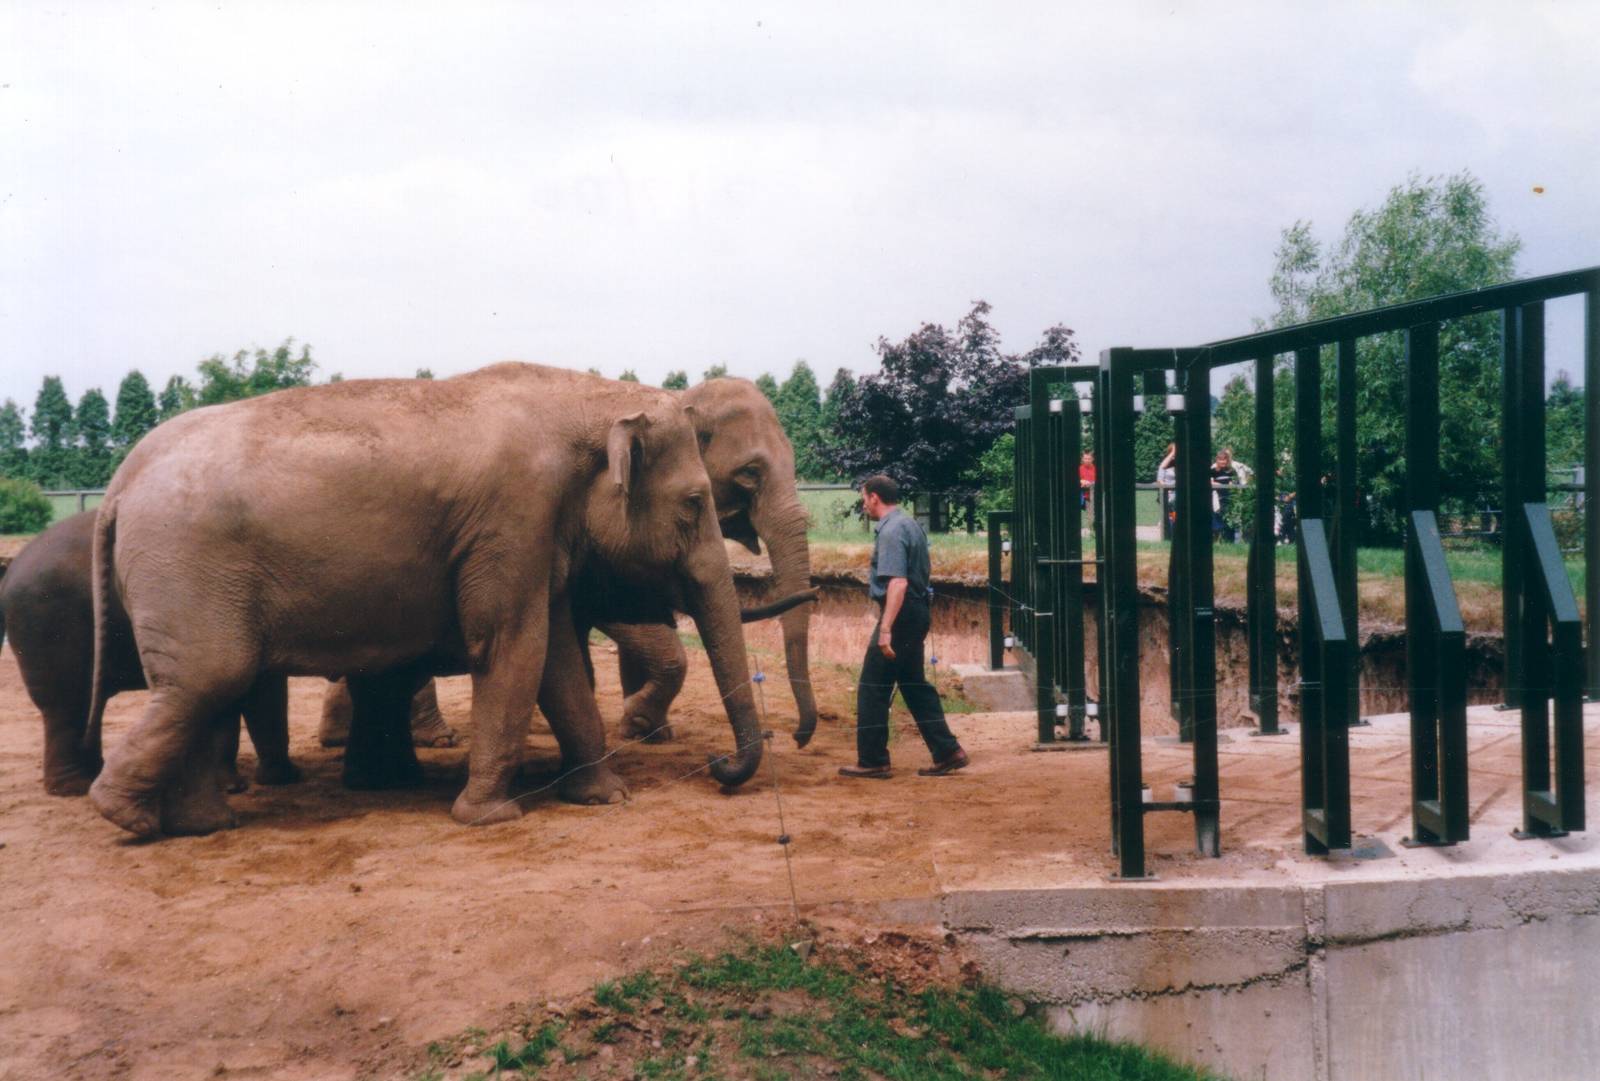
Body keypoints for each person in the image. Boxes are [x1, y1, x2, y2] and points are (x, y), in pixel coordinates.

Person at [839, 474, 969, 779]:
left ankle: (872, 760)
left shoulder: (891, 531)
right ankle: (948, 750)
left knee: (872, 687)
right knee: (912, 684)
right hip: (916, 611)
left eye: (864, 499)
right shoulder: (909, 524)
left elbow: (897, 583)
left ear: (874, 497)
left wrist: (886, 629)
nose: (864, 505)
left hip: (900, 615)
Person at [1211, 448, 1238, 542]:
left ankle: (1230, 540)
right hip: (1217, 499)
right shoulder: (1213, 471)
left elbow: (1235, 482)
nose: (1222, 461)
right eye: (1220, 459)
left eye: (1224, 459)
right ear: (1217, 460)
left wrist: (1232, 484)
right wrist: (1217, 484)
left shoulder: (1231, 471)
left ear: (1227, 460)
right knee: (1218, 519)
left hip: (1229, 498)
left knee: (1229, 520)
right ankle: (1217, 539)